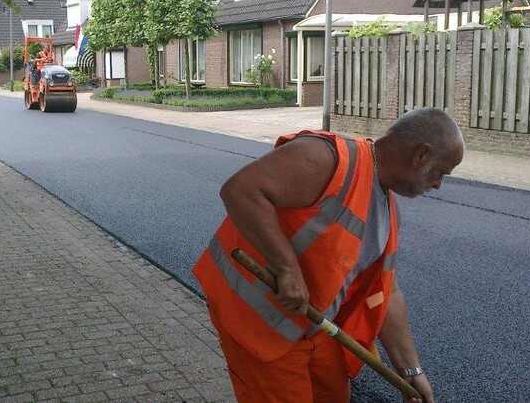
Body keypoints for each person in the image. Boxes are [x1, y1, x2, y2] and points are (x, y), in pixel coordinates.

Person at [193, 107, 465, 403]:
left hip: (314, 326)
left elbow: (389, 293)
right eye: (441, 172)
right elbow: (240, 190)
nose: (438, 183)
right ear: (421, 155)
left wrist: (410, 369)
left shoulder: (387, 209)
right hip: (259, 320)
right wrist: (287, 267)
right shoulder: (329, 160)